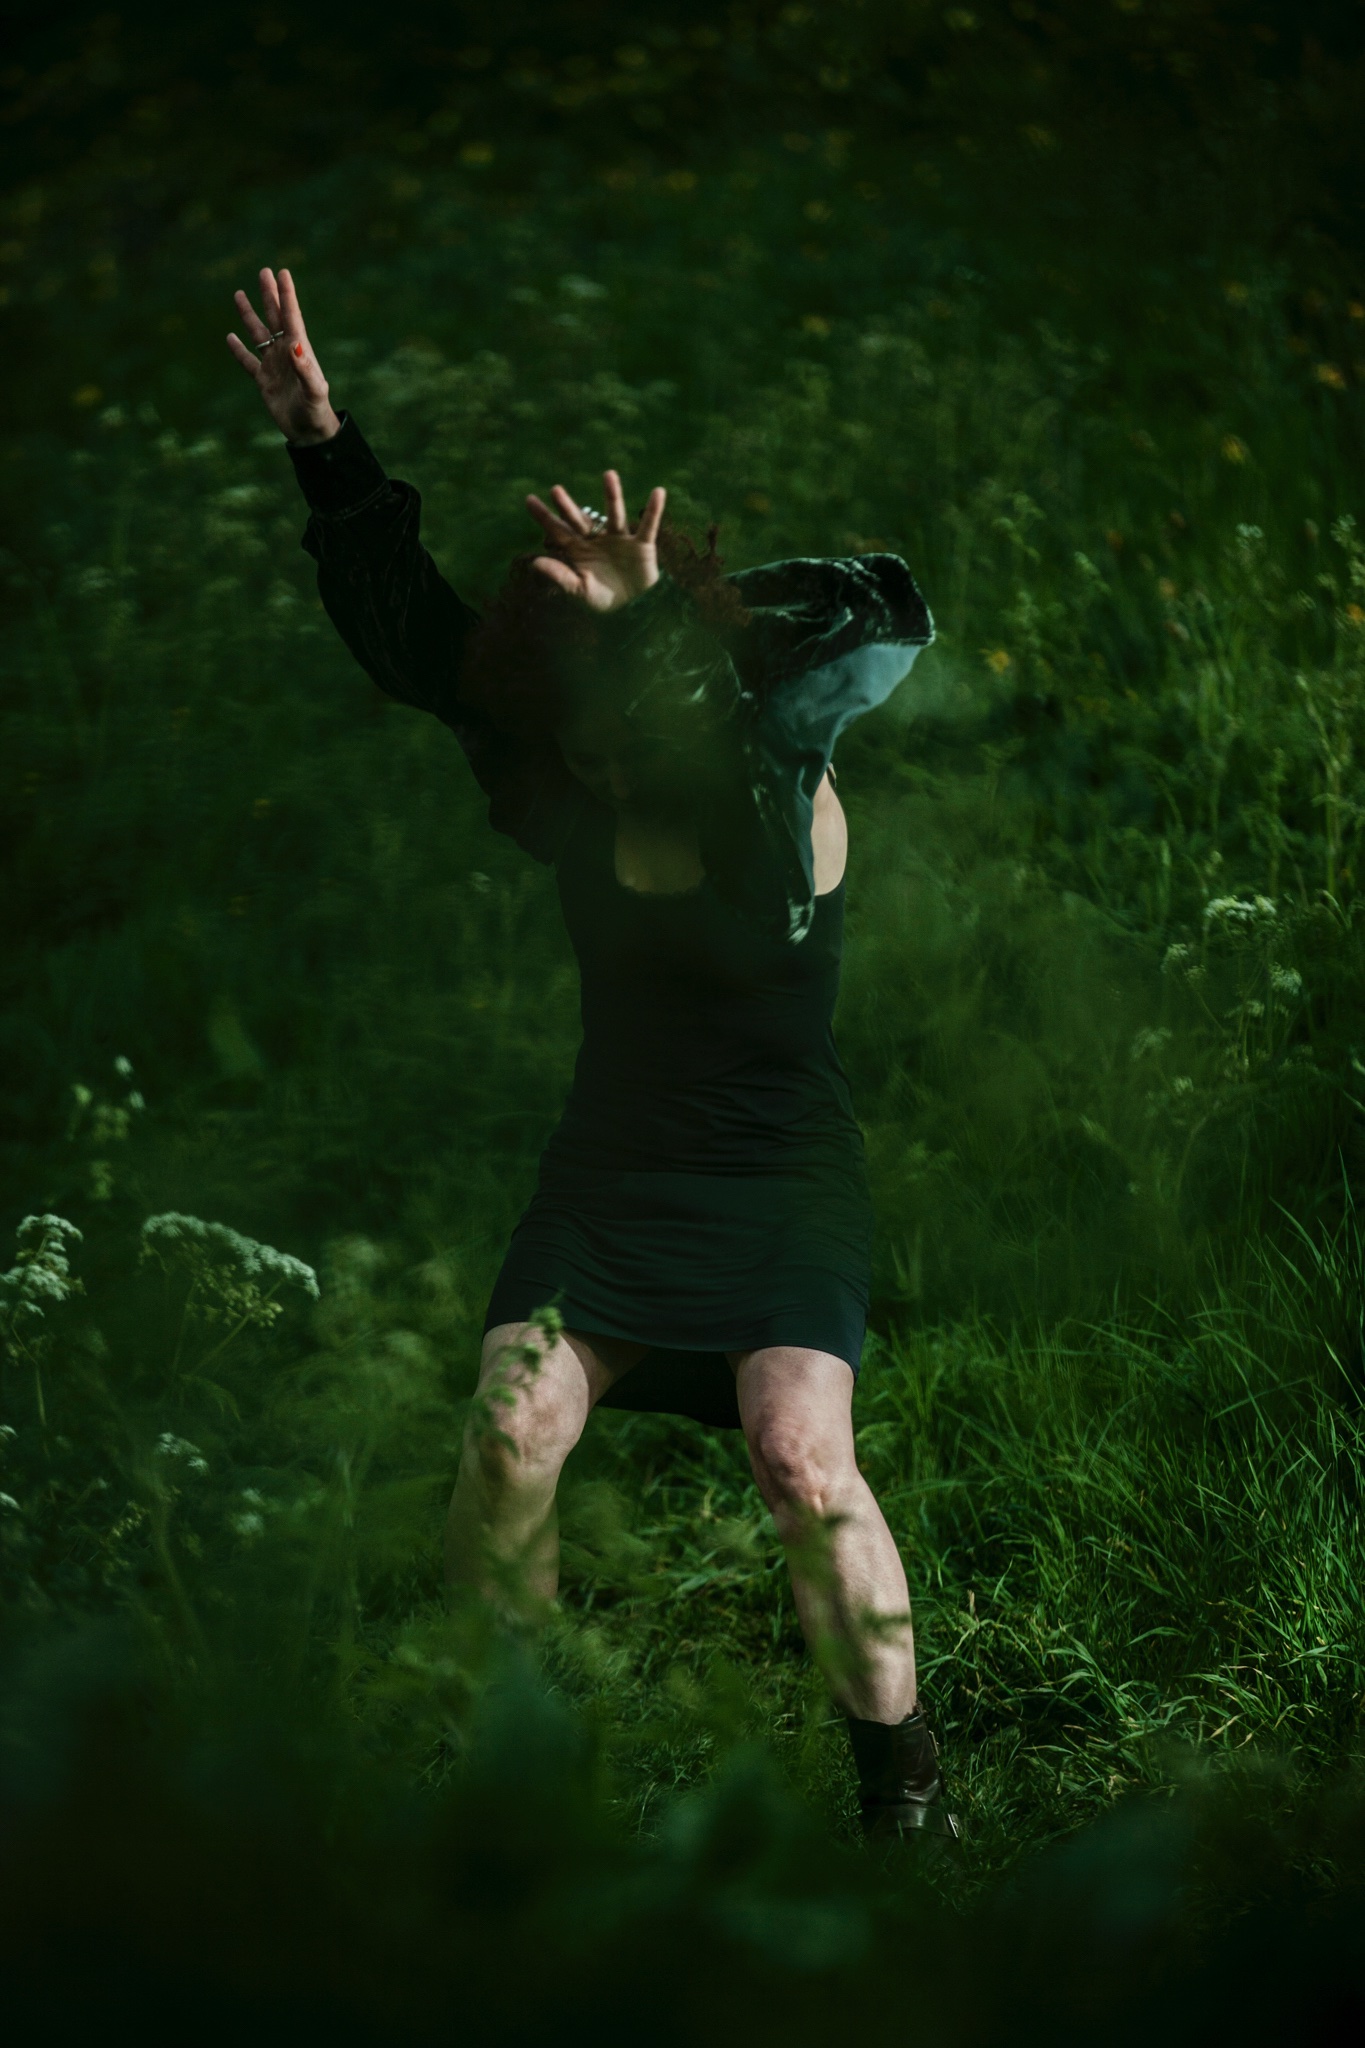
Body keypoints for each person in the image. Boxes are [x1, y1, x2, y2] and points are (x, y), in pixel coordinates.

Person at [228, 266, 956, 1843]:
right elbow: (410, 632)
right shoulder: (566, 772)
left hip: (775, 1185)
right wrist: (323, 443)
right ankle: (522, 1757)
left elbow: (747, 872)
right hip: (611, 1177)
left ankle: (904, 1798)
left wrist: (652, 641)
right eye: (558, 657)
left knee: (799, 1460)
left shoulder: (784, 797)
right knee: (507, 1431)